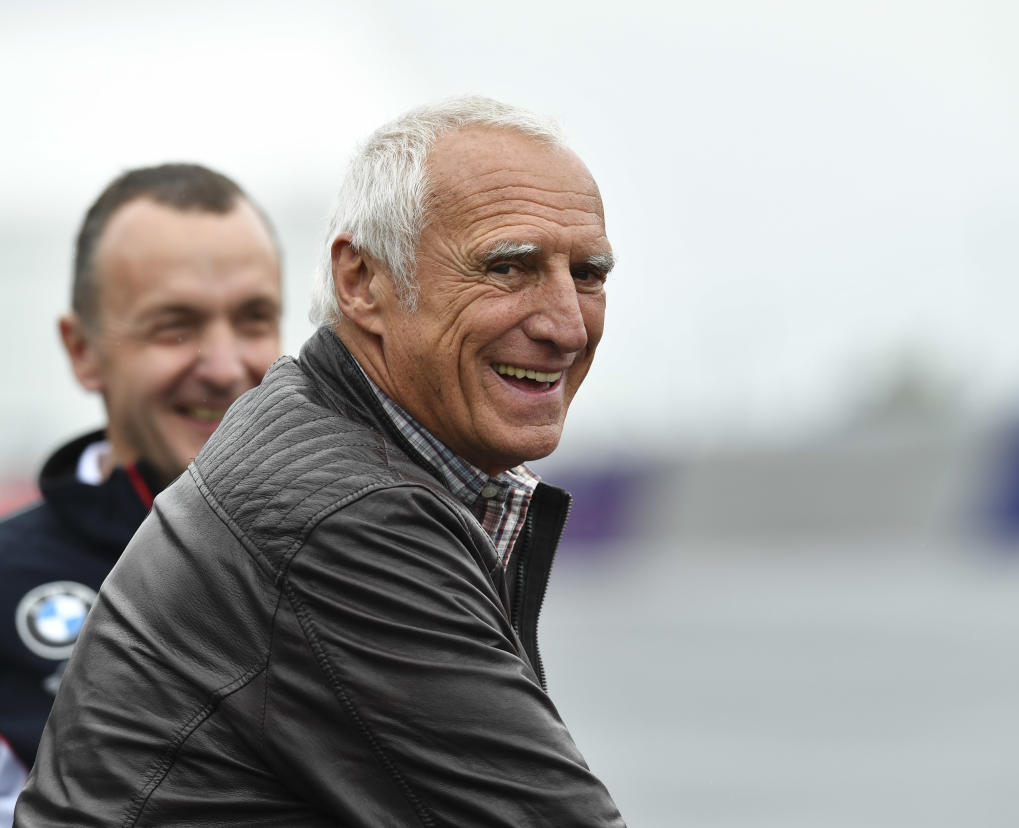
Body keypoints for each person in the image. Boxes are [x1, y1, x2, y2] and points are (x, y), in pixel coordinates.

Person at [17, 96, 625, 826]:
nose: (565, 324)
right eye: (509, 267)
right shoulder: (349, 516)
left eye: (587, 274)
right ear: (360, 282)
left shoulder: (306, 428)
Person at [0, 163, 283, 823]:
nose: (223, 367)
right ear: (83, 350)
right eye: (174, 326)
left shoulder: (361, 549)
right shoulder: (6, 581)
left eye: (252, 320)